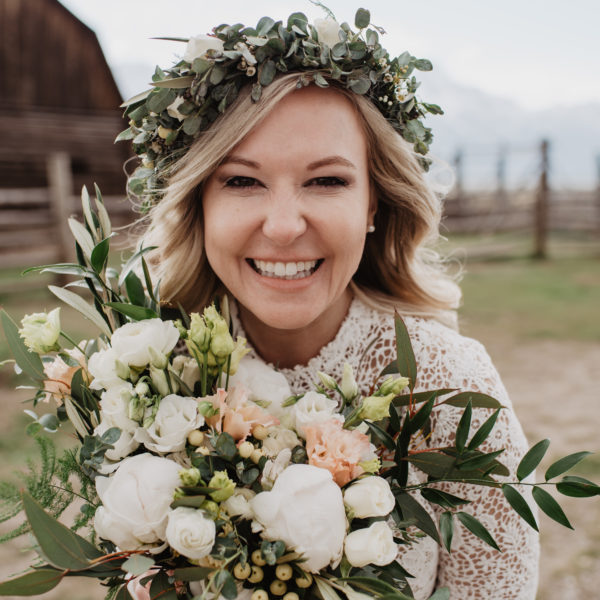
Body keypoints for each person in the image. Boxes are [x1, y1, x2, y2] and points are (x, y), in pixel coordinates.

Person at [125, 10, 539, 599]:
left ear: (375, 202)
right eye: (242, 181)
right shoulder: (147, 378)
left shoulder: (452, 389)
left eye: (326, 181)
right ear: (199, 204)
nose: (286, 226)